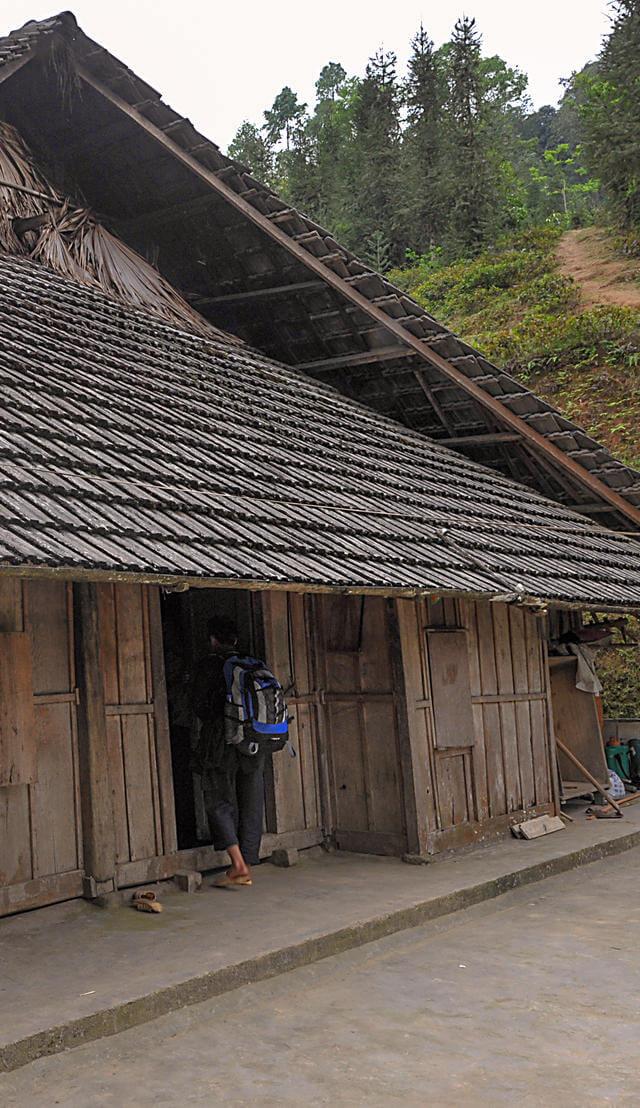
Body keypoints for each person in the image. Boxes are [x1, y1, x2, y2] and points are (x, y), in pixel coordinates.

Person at [192, 615, 265, 887]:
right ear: (235, 640)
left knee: (216, 799)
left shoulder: (209, 667)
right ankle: (248, 859)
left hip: (221, 742)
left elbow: (200, 708)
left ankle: (238, 864)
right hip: (255, 742)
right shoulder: (253, 665)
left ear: (213, 640)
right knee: (252, 799)